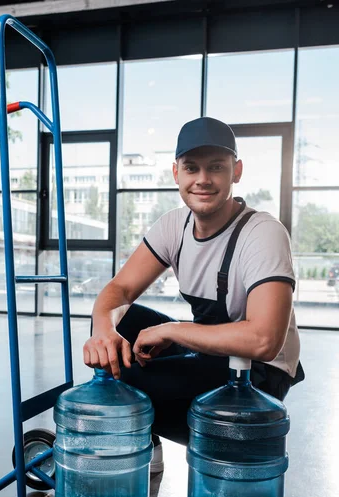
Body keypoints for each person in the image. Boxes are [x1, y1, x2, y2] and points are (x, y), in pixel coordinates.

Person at [83, 116, 304, 472]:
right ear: (176, 174)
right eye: (191, 167)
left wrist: (172, 331)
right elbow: (118, 290)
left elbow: (264, 340)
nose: (203, 179)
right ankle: (148, 437)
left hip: (259, 373)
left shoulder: (263, 232)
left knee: (127, 382)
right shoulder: (175, 224)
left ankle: (215, 440)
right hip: (211, 352)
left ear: (237, 171)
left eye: (216, 167)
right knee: (122, 325)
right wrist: (103, 331)